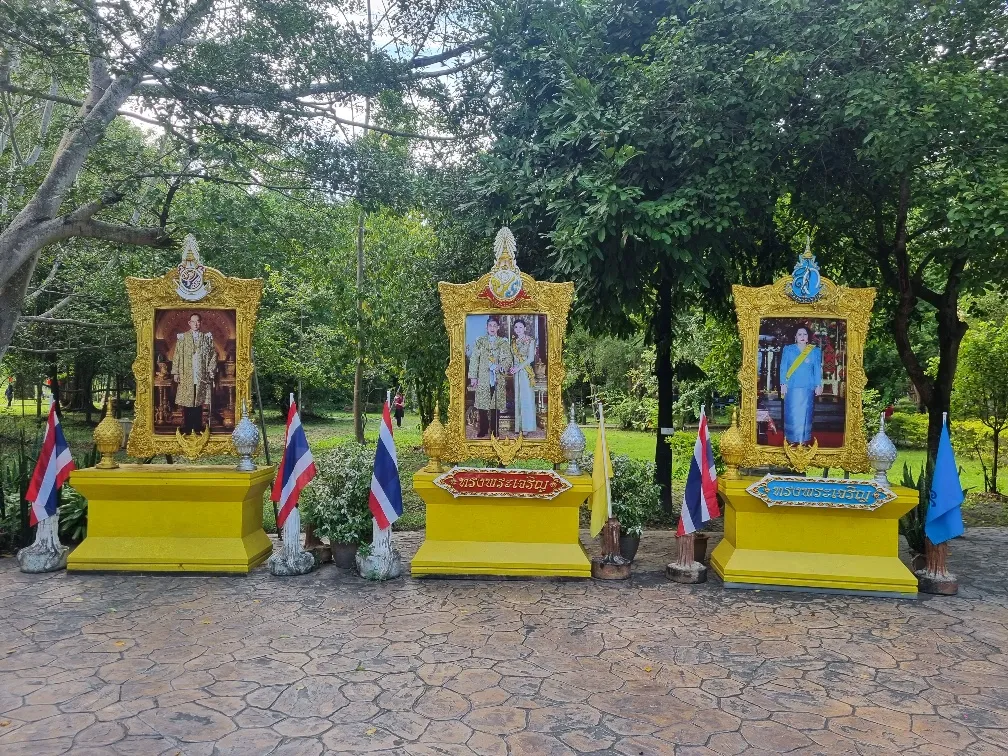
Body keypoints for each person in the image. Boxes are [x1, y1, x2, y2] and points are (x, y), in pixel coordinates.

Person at [172, 313, 217, 434]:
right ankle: (187, 426)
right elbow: (177, 355)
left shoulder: (206, 337)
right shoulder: (182, 338)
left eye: (198, 321)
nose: (196, 324)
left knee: (198, 401)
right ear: (189, 323)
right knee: (188, 400)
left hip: (201, 374)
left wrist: (210, 369)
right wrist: (176, 372)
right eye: (193, 321)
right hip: (186, 373)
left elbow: (213, 354)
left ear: (200, 323)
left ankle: (197, 426)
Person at [468, 315, 512, 438]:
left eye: (494, 326)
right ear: (486, 327)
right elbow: (474, 359)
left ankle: (494, 430)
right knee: (482, 405)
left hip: (497, 378)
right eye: (490, 326)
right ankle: (483, 429)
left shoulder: (503, 342)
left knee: (495, 405)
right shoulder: (480, 341)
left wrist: (501, 366)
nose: (492, 328)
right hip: (483, 377)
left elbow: (508, 358)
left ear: (498, 328)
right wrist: (473, 377)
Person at [779, 326, 823, 445]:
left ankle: (804, 440)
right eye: (800, 334)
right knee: (792, 414)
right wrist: (783, 383)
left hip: (807, 387)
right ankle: (791, 440)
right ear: (795, 337)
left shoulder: (814, 351)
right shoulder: (788, 350)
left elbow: (817, 370)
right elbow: (783, 368)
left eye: (804, 334)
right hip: (791, 387)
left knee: (805, 414)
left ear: (808, 337)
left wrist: (818, 384)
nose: (802, 337)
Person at [509, 318, 538, 434]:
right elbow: (513, 357)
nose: (518, 329)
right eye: (516, 327)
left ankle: (527, 427)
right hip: (516, 372)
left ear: (525, 328)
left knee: (526, 399)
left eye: (520, 327)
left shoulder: (530, 340)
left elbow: (531, 358)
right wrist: (512, 367)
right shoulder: (513, 342)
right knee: (518, 399)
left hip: (525, 372)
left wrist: (518, 368)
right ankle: (519, 427)